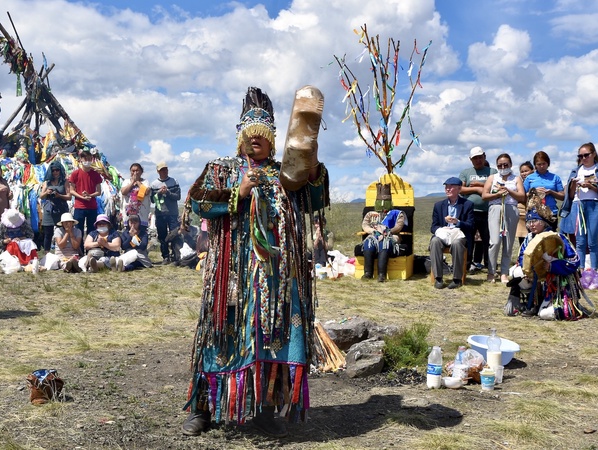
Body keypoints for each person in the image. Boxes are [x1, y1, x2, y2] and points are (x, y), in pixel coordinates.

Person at [181, 87, 329, 438]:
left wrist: (311, 161)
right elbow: (198, 202)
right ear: (241, 137)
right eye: (250, 134)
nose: (256, 140)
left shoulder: (286, 174)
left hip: (275, 276)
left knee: (270, 337)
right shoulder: (222, 169)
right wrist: (238, 193)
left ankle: (262, 409)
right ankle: (206, 407)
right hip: (232, 273)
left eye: (263, 135)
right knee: (222, 334)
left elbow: (314, 199)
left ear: (274, 139)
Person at [505, 207, 592, 319]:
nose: (532, 225)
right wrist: (528, 269)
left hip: (556, 284)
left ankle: (569, 306)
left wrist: (553, 266)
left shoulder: (558, 238)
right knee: (515, 272)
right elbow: (522, 257)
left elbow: (574, 261)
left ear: (544, 223)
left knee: (545, 314)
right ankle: (531, 303)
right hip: (536, 278)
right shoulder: (528, 238)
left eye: (535, 221)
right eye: (529, 222)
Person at [482, 153, 525, 283]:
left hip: (511, 210)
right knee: (494, 241)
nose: (503, 167)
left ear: (510, 164)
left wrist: (509, 191)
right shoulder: (492, 177)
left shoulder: (516, 179)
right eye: (500, 165)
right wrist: (497, 194)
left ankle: (504, 272)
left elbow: (522, 197)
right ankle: (491, 271)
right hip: (495, 209)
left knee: (508, 242)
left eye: (505, 164)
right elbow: (484, 195)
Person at [559, 143, 598, 271]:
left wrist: (591, 186)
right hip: (578, 204)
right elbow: (570, 195)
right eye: (580, 156)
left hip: (594, 204)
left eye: (586, 155)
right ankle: (581, 270)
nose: (583, 158)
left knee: (593, 241)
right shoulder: (575, 171)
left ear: (593, 154)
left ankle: (593, 271)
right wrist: (573, 185)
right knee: (580, 241)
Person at [430, 177, 475, 289]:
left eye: (451, 187)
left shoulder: (467, 205)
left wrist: (458, 222)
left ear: (459, 189)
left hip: (459, 236)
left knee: (456, 244)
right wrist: (441, 230)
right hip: (443, 235)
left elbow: (471, 226)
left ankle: (457, 279)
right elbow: (433, 226)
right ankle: (438, 278)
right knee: (435, 241)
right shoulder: (439, 205)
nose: (448, 189)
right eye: (446, 187)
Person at [360, 184, 407, 282]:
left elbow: (398, 227)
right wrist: (373, 231)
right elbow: (365, 225)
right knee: (368, 244)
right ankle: (368, 273)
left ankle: (382, 274)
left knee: (384, 244)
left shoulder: (398, 213)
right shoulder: (371, 214)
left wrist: (387, 231)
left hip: (390, 236)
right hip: (374, 236)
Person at [459, 147, 496, 273]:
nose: (478, 160)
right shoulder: (466, 172)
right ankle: (467, 264)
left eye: (480, 157)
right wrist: (476, 190)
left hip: (489, 211)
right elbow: (460, 189)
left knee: (488, 240)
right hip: (470, 211)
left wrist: (481, 185)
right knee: (468, 239)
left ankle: (489, 265)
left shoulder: (492, 171)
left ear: (484, 156)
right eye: (475, 158)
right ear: (471, 159)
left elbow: (495, 188)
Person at [150, 162, 181, 263]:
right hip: (160, 213)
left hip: (172, 213)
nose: (164, 171)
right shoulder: (154, 184)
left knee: (175, 234)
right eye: (162, 170)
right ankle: (165, 256)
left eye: (166, 169)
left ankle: (176, 255)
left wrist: (168, 192)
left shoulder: (174, 181)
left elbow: (178, 197)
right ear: (158, 171)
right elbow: (152, 200)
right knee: (162, 235)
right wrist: (159, 193)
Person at [38, 160, 71, 256]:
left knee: (62, 230)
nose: (55, 172)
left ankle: (62, 252)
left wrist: (59, 195)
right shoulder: (47, 183)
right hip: (49, 209)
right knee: (48, 233)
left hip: (62, 209)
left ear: (60, 170)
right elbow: (41, 196)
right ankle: (47, 253)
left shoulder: (65, 182)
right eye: (53, 170)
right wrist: (47, 192)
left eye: (57, 170)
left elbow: (69, 197)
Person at [69, 149, 104, 239]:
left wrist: (90, 195)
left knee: (92, 230)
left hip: (92, 206)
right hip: (79, 206)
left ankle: (90, 250)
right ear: (81, 159)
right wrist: (82, 197)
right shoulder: (75, 174)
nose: (87, 161)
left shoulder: (96, 174)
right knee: (78, 230)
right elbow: (71, 190)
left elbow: (99, 191)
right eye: (85, 159)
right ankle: (79, 250)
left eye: (89, 159)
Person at [523, 151, 564, 219]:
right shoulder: (529, 178)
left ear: (548, 164)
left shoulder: (555, 177)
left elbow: (562, 196)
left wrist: (551, 192)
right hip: (534, 212)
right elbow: (522, 196)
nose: (542, 166)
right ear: (535, 165)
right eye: (539, 164)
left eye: (544, 164)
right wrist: (533, 192)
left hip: (551, 212)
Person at [516, 161, 534, 245]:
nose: (524, 173)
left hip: (533, 214)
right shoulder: (518, 184)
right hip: (521, 214)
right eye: (522, 172)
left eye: (526, 171)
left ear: (532, 170)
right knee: (522, 240)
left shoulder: (535, 182)